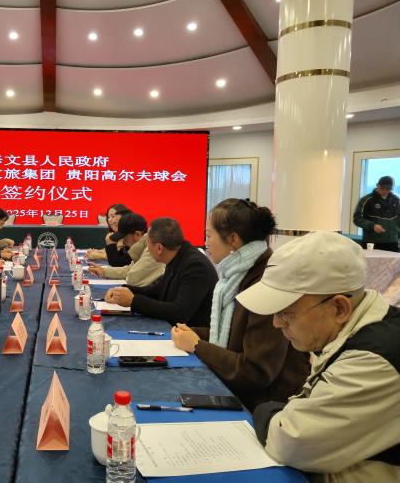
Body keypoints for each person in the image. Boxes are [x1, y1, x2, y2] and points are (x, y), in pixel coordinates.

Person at [237, 231, 400, 482]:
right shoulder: (354, 331)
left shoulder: (375, 358)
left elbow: (291, 442)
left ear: (339, 308)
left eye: (286, 313)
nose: (276, 323)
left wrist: (265, 411)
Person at [171, 199, 309, 410]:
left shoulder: (266, 283)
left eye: (209, 235)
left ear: (233, 239)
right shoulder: (239, 275)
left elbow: (256, 372)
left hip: (264, 406)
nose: (206, 243)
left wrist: (198, 346)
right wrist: (193, 333)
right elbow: (234, 336)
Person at [105, 217, 217, 327]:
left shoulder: (195, 266)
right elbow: (158, 290)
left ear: (159, 248)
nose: (147, 248)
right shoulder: (177, 255)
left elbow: (180, 313)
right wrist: (125, 290)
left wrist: (133, 301)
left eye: (147, 243)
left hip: (193, 333)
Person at [89, 212, 165, 287]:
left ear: (137, 234)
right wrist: (104, 271)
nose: (123, 242)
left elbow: (132, 278)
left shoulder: (153, 248)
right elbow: (130, 269)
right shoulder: (144, 246)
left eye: (124, 237)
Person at [353, 175, 399, 252]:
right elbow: (357, 219)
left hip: (392, 242)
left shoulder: (396, 200)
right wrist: (372, 226)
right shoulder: (366, 200)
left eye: (388, 189)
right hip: (372, 242)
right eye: (382, 188)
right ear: (377, 185)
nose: (385, 191)